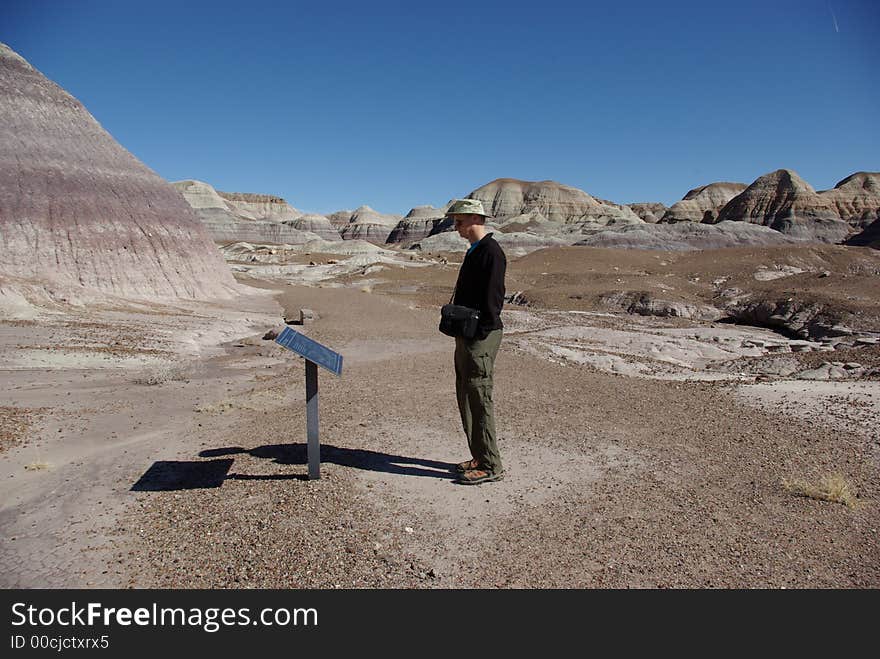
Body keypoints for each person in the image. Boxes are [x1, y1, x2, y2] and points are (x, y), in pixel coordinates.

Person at [445, 199, 507, 485]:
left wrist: (478, 331)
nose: (455, 226)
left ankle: (491, 465)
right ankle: (480, 455)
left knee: (480, 398)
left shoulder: (491, 253)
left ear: (474, 218)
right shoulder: (475, 251)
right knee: (467, 395)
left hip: (479, 336)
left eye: (459, 221)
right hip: (468, 334)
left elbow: (493, 300)